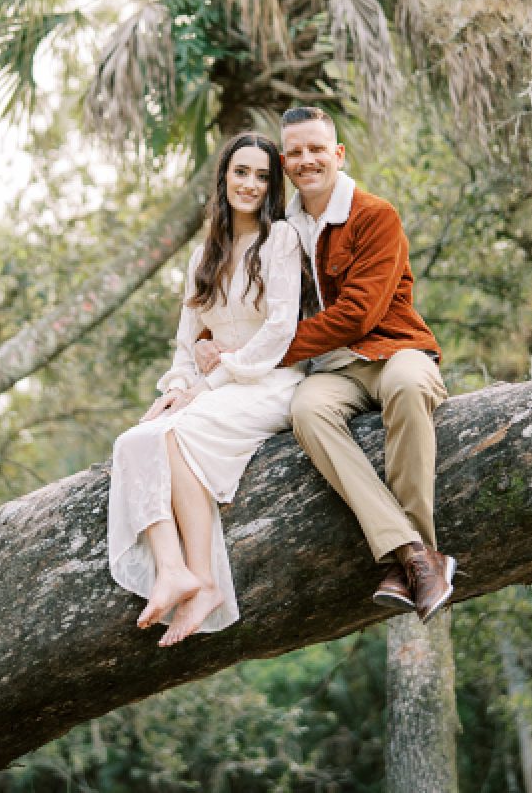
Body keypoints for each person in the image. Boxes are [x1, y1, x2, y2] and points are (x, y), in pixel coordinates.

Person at [199, 106, 452, 621]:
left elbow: (359, 314)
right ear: (286, 164)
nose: (306, 159)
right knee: (308, 413)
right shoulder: (279, 229)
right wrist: (208, 337)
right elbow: (243, 299)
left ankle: (423, 555)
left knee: (406, 386)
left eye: (317, 149)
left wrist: (266, 354)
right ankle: (412, 554)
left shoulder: (373, 214)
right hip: (333, 371)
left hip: (395, 349)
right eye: (295, 152)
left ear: (337, 154)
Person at [107, 132, 305, 646]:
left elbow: (279, 332)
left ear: (272, 187)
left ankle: (203, 582)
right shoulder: (204, 255)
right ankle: (176, 570)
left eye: (263, 176)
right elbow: (185, 343)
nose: (250, 184)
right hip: (214, 387)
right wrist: (177, 387)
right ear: (224, 177)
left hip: (271, 381)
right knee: (134, 439)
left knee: (177, 438)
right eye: (241, 172)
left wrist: (209, 382)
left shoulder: (280, 240)